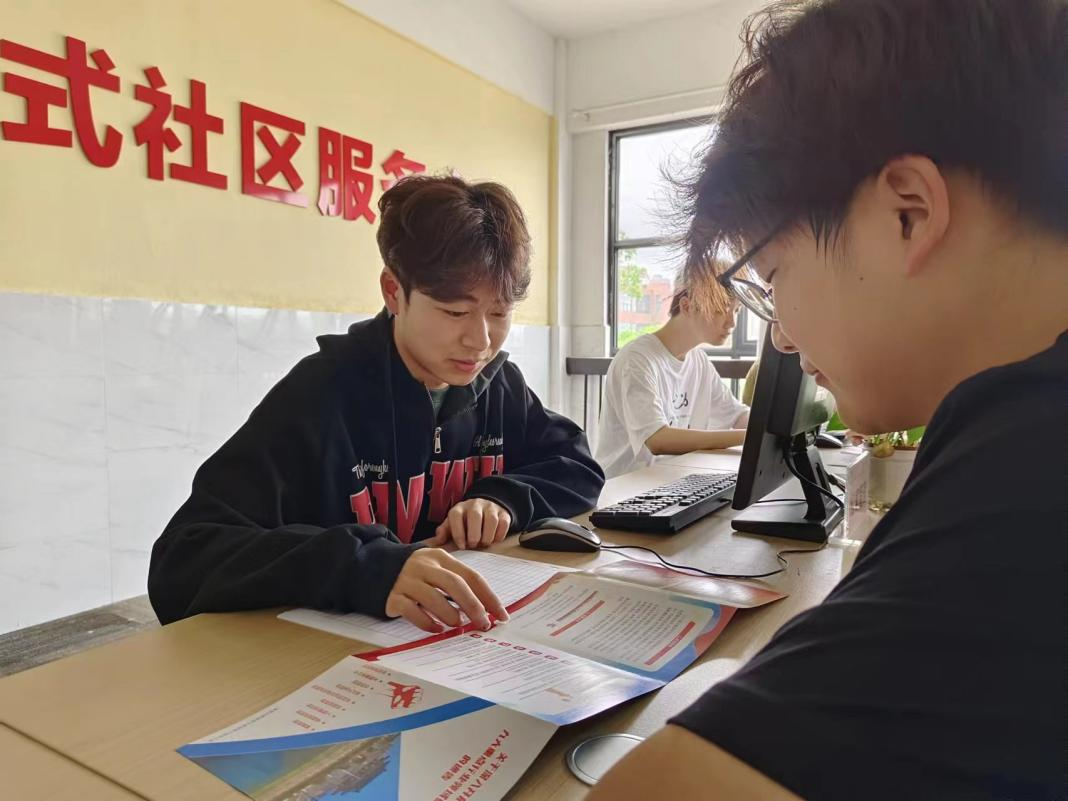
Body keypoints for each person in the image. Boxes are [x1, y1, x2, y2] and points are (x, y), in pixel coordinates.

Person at [589, 1, 1068, 799]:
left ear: (908, 213)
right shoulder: (1012, 424)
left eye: (773, 278)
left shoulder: (1031, 465)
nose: (779, 337)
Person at [148, 175, 605, 635]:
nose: (480, 340)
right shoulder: (321, 394)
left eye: (499, 313)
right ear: (393, 291)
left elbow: (576, 463)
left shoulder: (497, 384)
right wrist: (364, 565)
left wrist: (502, 497)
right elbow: (183, 559)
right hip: (324, 657)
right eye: (455, 312)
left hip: (452, 642)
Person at [595, 276, 749, 478]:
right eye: (721, 309)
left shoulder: (699, 361)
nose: (731, 322)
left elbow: (737, 415)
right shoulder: (637, 360)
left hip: (672, 481)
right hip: (625, 487)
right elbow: (658, 440)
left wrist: (773, 429)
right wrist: (747, 437)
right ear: (687, 306)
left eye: (736, 310)